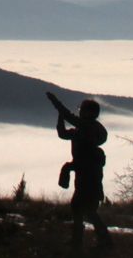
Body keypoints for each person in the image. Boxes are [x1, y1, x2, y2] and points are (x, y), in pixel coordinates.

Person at [47, 91, 111, 249]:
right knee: (84, 208)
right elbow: (63, 134)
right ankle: (93, 239)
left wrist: (57, 104)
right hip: (86, 174)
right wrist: (60, 115)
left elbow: (69, 118)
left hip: (89, 175)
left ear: (89, 112)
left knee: (83, 208)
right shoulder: (86, 128)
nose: (80, 111)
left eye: (82, 109)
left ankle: (89, 239)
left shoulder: (87, 127)